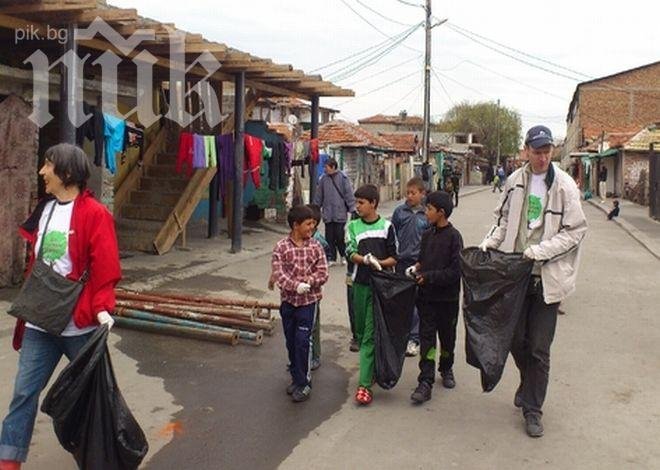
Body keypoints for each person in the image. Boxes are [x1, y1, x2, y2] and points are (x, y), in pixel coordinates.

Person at [0, 144, 121, 469]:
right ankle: (9, 460)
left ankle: (103, 456)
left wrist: (101, 307)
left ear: (66, 173)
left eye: (47, 166)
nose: (42, 172)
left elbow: (104, 266)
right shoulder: (46, 209)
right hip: (40, 322)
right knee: (23, 395)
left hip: (78, 325)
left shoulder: (95, 214)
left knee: (93, 399)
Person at [479, 125, 587, 438]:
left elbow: (576, 231)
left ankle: (533, 409)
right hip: (517, 275)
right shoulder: (514, 181)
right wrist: (489, 242)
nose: (541, 157)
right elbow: (502, 222)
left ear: (551, 152)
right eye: (536, 151)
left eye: (546, 151)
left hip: (548, 279)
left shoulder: (565, 185)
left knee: (539, 348)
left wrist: (539, 252)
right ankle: (528, 383)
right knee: (514, 339)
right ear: (526, 150)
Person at [407, 191, 463, 404]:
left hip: (447, 300)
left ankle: (446, 368)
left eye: (429, 209)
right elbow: (422, 259)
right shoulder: (427, 234)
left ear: (441, 213)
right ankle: (425, 381)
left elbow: (454, 272)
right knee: (427, 339)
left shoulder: (454, 237)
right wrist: (415, 268)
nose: (425, 212)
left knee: (447, 338)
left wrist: (427, 277)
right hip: (426, 299)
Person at [345, 184, 398, 405]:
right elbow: (350, 252)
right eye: (356, 202)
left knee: (368, 334)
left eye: (361, 203)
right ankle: (373, 368)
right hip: (359, 285)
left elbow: (394, 257)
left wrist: (379, 264)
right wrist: (364, 260)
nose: (357, 206)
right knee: (360, 330)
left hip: (381, 287)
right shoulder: (353, 226)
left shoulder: (387, 226)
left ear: (373, 203)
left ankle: (364, 385)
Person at [271, 205, 329, 403]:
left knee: (303, 341)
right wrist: (296, 286)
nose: (312, 227)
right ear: (296, 225)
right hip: (288, 302)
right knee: (291, 341)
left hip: (309, 303)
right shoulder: (281, 247)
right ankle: (296, 378)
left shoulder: (316, 247)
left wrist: (309, 283)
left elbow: (323, 273)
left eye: (313, 223)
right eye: (308, 224)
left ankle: (304, 384)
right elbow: (279, 274)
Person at [391, 176, 429, 357]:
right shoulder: (400, 212)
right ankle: (401, 336)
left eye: (413, 193)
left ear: (422, 194)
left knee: (416, 301)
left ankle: (414, 338)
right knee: (401, 301)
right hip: (401, 262)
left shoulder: (427, 214)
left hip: (419, 264)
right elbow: (393, 234)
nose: (409, 196)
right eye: (407, 193)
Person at [313, 158, 355, 266]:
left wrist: (353, 209)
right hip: (328, 213)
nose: (325, 169)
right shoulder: (323, 179)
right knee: (329, 236)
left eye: (326, 167)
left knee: (340, 236)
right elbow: (319, 196)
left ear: (333, 167)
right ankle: (331, 257)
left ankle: (343, 255)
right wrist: (315, 208)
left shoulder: (343, 178)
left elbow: (348, 195)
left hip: (340, 212)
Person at [307, 204, 329, 370]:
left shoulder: (319, 242)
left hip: (312, 292)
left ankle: (315, 356)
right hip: (298, 292)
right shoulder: (298, 239)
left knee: (313, 325)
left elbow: (323, 269)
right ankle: (303, 356)